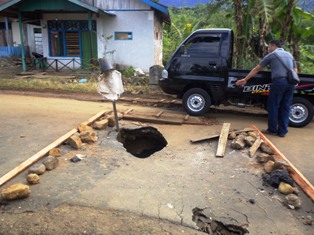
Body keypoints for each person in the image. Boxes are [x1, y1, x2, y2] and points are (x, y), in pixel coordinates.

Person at [236, 40, 298, 137]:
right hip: (291, 83)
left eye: (268, 47)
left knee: (273, 105)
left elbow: (257, 68)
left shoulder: (272, 55)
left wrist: (245, 79)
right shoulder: (289, 55)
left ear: (273, 46)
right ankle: (282, 132)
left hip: (279, 82)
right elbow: (295, 70)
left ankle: (272, 129)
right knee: (285, 107)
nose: (268, 49)